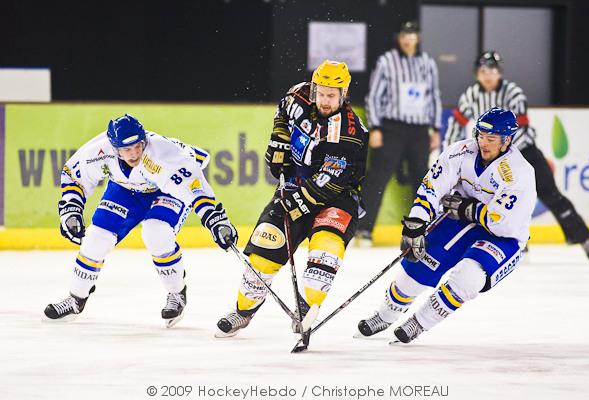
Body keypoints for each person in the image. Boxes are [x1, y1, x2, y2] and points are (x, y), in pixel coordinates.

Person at [215, 60, 368, 337]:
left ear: (344, 94)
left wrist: (299, 200)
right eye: (320, 92)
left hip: (337, 198)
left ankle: (307, 306)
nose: (323, 100)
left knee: (324, 256)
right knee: (263, 251)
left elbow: (330, 181)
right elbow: (283, 114)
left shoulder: (350, 132)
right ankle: (242, 311)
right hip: (294, 186)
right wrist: (279, 139)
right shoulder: (298, 94)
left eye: (331, 95)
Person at [356, 107, 535, 343]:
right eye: (480, 135)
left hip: (504, 237)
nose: (483, 142)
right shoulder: (461, 151)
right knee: (418, 263)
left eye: (491, 138)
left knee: (470, 278)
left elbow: (501, 224)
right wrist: (416, 223)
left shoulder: (519, 173)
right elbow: (433, 186)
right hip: (459, 220)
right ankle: (385, 315)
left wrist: (466, 208)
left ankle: (420, 322)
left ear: (507, 140)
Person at [43, 114, 238, 327]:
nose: (135, 153)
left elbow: (193, 187)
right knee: (96, 238)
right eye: (127, 149)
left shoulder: (164, 154)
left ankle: (176, 293)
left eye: (138, 146)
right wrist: (71, 210)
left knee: (157, 232)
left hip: (165, 189)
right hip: (125, 190)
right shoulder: (98, 151)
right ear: (114, 148)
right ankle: (76, 298)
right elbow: (74, 176)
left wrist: (215, 219)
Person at [444, 50, 589, 260]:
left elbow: (522, 129)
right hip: (490, 156)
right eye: (483, 71)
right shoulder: (470, 95)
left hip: (523, 152)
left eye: (492, 70)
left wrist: (504, 154)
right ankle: (510, 239)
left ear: (499, 73)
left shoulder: (513, 93)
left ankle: (583, 238)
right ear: (476, 74)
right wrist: (452, 152)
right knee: (490, 196)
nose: (488, 75)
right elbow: (455, 125)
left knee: (550, 193)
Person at [355, 20, 442, 247]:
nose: (407, 39)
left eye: (412, 35)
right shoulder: (387, 61)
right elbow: (373, 96)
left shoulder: (428, 63)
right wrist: (375, 127)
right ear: (399, 38)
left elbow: (434, 96)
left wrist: (436, 129)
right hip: (391, 127)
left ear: (417, 38)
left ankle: (425, 229)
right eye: (404, 35)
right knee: (377, 178)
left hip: (419, 130)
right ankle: (363, 229)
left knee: (422, 181)